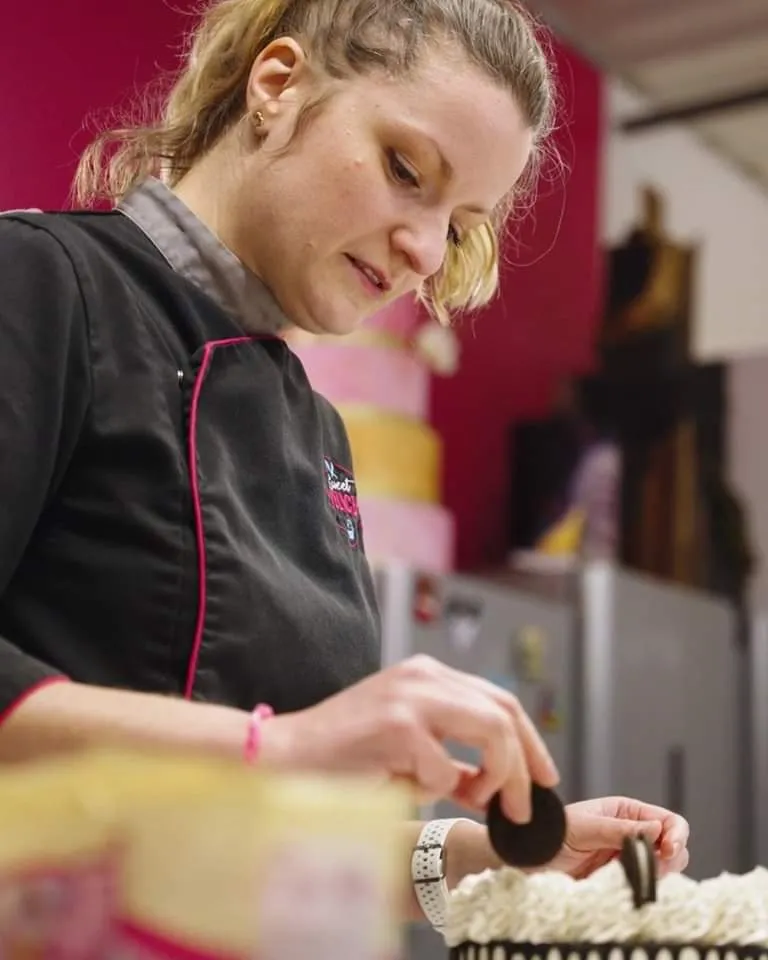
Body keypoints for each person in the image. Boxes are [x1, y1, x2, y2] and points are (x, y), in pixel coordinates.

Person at [0, 0, 689, 930]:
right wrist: (280, 749)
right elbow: (265, 761)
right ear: (278, 85)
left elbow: (264, 839)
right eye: (407, 170)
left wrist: (492, 858)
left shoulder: (315, 432)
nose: (424, 251)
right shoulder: (39, 281)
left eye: (459, 223)